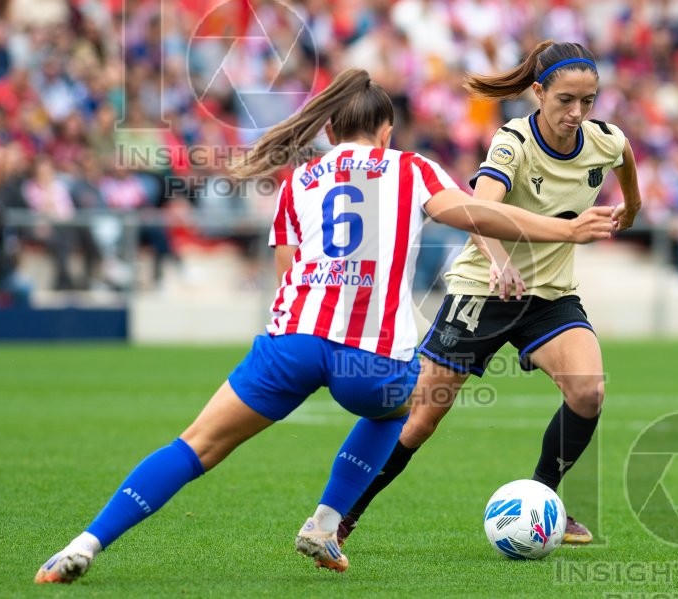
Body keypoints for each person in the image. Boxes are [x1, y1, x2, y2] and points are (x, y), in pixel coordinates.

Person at [33, 68, 618, 583]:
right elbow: (483, 213)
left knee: (195, 446)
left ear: (330, 132)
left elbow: (287, 271)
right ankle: (327, 520)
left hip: (291, 344)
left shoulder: (298, 183)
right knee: (400, 406)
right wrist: (566, 230)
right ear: (386, 131)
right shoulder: (411, 169)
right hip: (372, 356)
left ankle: (83, 544)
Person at [335, 41, 642, 547]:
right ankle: (343, 516)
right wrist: (500, 263)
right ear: (539, 92)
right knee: (420, 420)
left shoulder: (604, 141)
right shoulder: (512, 143)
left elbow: (625, 156)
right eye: (566, 100)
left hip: (550, 296)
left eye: (588, 101)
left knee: (588, 392)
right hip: (483, 290)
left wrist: (631, 206)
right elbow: (479, 210)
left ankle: (546, 500)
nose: (577, 113)